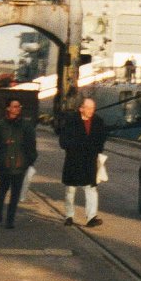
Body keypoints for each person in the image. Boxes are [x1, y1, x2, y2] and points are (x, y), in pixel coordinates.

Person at [0, 97, 37, 229]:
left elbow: (32, 146)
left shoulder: (26, 126)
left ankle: (10, 220)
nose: (17, 109)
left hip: (20, 166)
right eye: (14, 106)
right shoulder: (0, 125)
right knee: (2, 190)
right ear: (8, 108)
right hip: (4, 165)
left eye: (19, 107)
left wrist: (30, 160)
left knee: (15, 194)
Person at [59, 97, 107, 227]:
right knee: (70, 189)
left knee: (91, 188)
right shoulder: (71, 121)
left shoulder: (98, 121)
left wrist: (96, 150)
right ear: (81, 108)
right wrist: (73, 147)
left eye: (93, 108)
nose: (91, 110)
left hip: (90, 160)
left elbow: (101, 139)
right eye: (88, 108)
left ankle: (91, 217)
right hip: (73, 160)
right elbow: (63, 140)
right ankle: (69, 215)